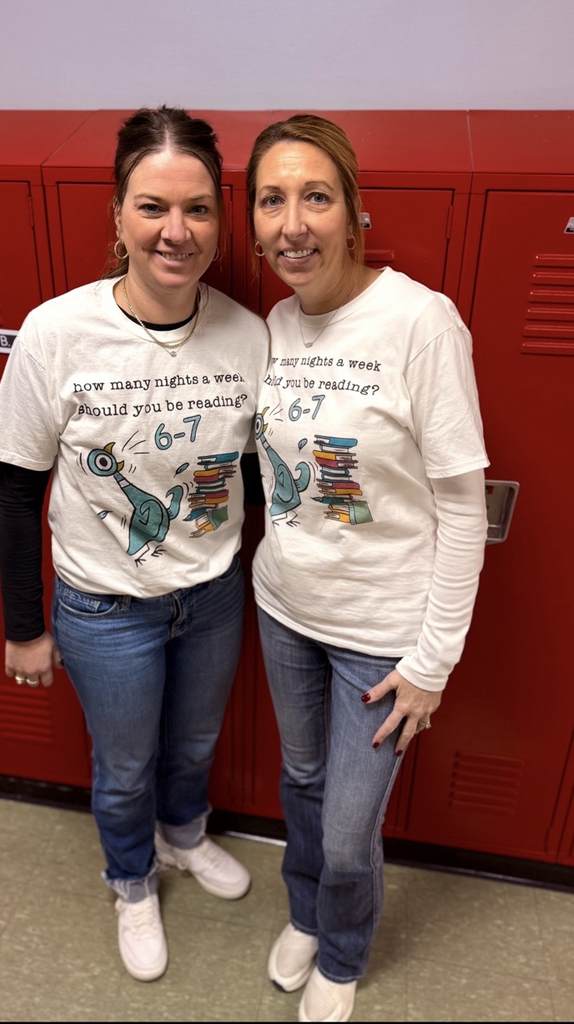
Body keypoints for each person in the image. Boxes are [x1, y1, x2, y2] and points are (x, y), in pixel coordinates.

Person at [0, 106, 269, 983]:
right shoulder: (56, 333)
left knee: (191, 746)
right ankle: (131, 880)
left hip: (211, 594)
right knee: (126, 761)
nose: (176, 233)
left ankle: (182, 838)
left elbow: (253, 474)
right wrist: (27, 626)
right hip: (105, 607)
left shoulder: (247, 335)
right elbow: (18, 492)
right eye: (152, 208)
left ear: (220, 220)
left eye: (197, 210)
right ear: (117, 215)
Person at [246, 115, 489, 1023]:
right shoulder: (276, 320)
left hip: (380, 635)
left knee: (350, 832)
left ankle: (341, 953)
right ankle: (306, 916)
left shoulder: (420, 322)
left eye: (316, 196)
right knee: (300, 784)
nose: (293, 223)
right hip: (284, 607)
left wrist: (432, 664)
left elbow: (462, 504)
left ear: (355, 212)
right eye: (273, 200)